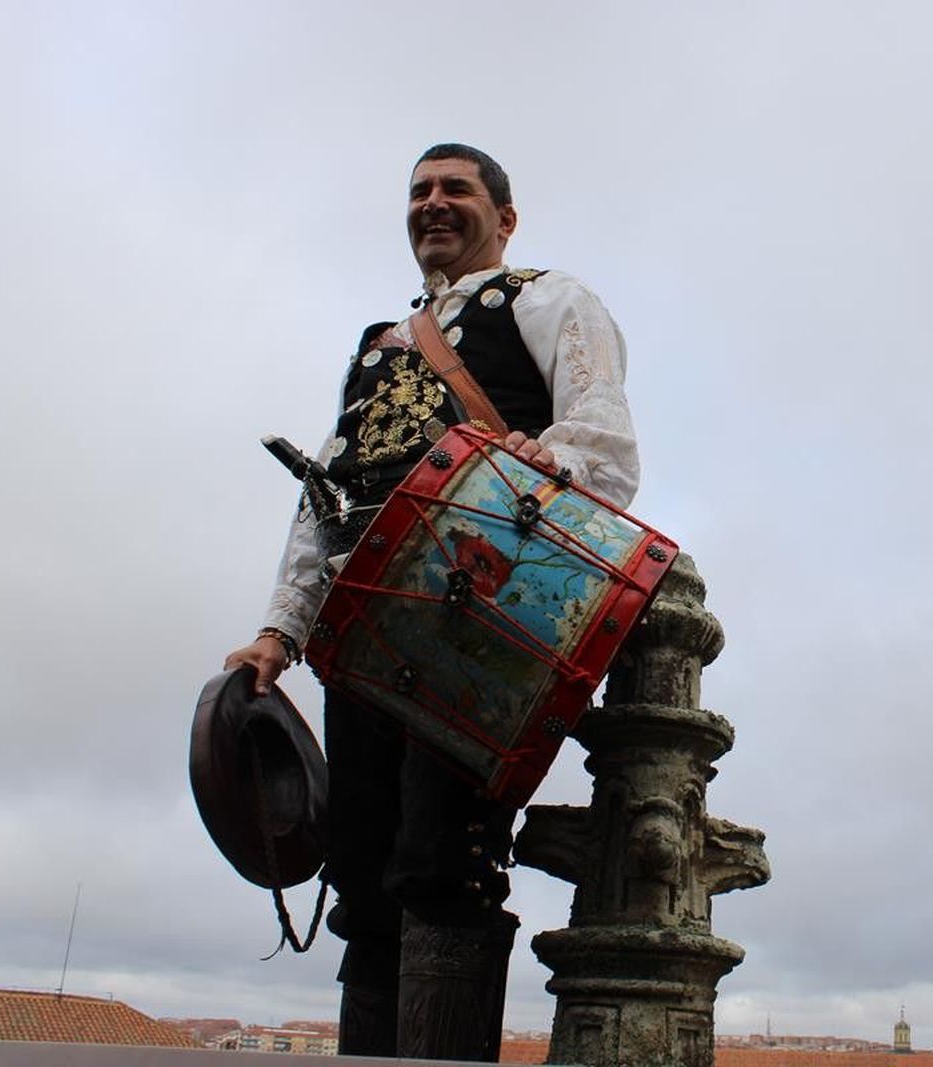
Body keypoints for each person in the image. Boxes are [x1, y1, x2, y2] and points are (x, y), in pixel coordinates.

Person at [222, 143, 639, 1060]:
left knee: (442, 864)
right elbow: (322, 502)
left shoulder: (550, 299)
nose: (433, 204)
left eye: (456, 189)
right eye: (419, 191)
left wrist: (547, 460)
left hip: (481, 624)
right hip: (365, 635)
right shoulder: (376, 347)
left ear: (506, 215)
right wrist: (277, 631)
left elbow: (604, 447)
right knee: (364, 871)